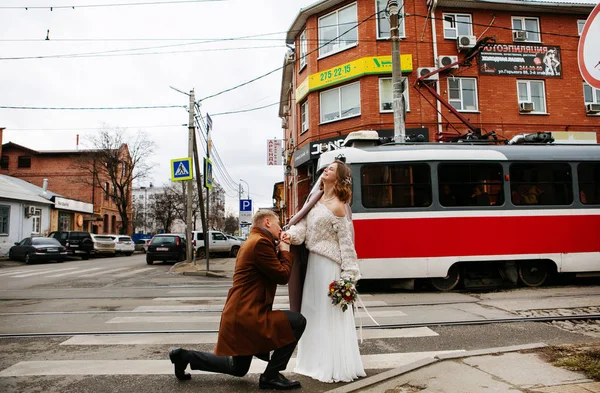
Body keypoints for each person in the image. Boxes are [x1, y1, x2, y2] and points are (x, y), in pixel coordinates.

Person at [168, 210, 306, 390]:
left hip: (241, 312)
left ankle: (184, 356)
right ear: (267, 222)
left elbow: (271, 268)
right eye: (278, 223)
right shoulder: (260, 243)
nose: (280, 228)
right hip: (247, 314)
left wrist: (280, 248)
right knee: (297, 321)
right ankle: (271, 375)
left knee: (238, 368)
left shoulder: (256, 241)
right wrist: (286, 251)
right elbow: (282, 275)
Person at [282, 159, 365, 383]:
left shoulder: (338, 205)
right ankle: (311, 362)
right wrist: (291, 235)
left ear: (338, 178)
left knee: (328, 316)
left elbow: (347, 246)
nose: (326, 169)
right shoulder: (314, 201)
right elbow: (303, 229)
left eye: (332, 169)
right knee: (312, 313)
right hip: (314, 268)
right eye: (326, 167)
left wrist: (349, 278)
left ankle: (329, 364)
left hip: (330, 268)